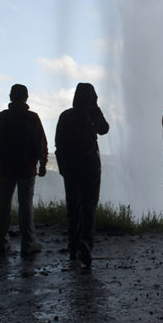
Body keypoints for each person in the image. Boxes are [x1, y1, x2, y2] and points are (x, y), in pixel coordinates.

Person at [0, 84, 48, 256]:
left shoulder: (2, 117)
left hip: (6, 168)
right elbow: (42, 143)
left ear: (10, 96)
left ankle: (1, 244)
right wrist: (42, 164)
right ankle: (28, 243)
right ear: (26, 98)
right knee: (25, 206)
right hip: (27, 169)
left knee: (3, 206)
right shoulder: (33, 118)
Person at [55, 83, 109, 267]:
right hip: (90, 167)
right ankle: (86, 244)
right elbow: (105, 129)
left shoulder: (66, 116)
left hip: (70, 168)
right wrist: (96, 109)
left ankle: (72, 247)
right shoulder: (91, 116)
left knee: (73, 207)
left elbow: (58, 142)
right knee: (88, 207)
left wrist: (62, 167)